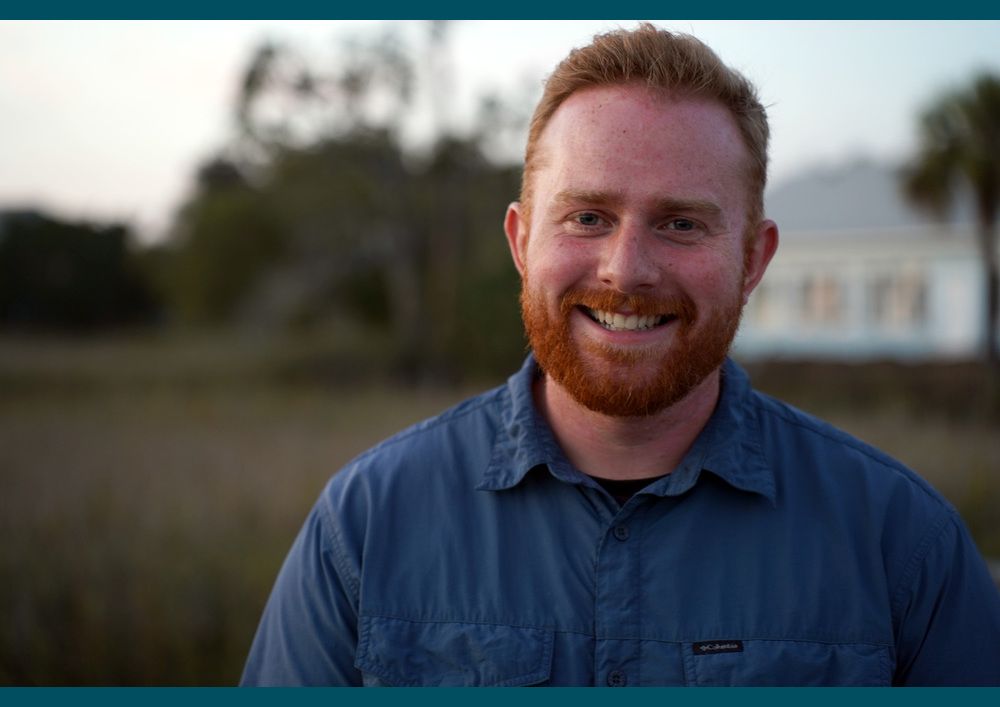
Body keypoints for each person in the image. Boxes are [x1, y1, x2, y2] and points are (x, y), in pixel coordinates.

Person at [241, 24, 1000, 686]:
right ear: (521, 242)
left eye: (681, 224)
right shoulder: (365, 527)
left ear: (752, 259)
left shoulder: (901, 544)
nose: (626, 270)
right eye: (588, 216)